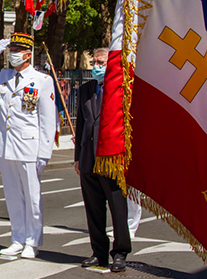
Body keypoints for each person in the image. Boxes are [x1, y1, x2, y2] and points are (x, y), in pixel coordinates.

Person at [0, 33, 56, 259]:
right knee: (13, 195)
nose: (12, 55)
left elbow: (48, 120)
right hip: (4, 145)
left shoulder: (42, 81)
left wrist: (44, 153)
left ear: (28, 54)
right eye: (11, 50)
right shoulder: (2, 77)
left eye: (16, 51)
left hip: (29, 147)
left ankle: (32, 242)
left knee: (32, 197)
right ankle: (17, 238)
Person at [74, 48, 131, 272]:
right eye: (95, 62)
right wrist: (77, 158)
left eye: (102, 62)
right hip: (89, 159)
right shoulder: (86, 89)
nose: (97, 66)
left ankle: (120, 252)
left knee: (118, 209)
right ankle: (99, 252)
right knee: (94, 210)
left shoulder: (121, 89)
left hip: (112, 160)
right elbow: (81, 126)